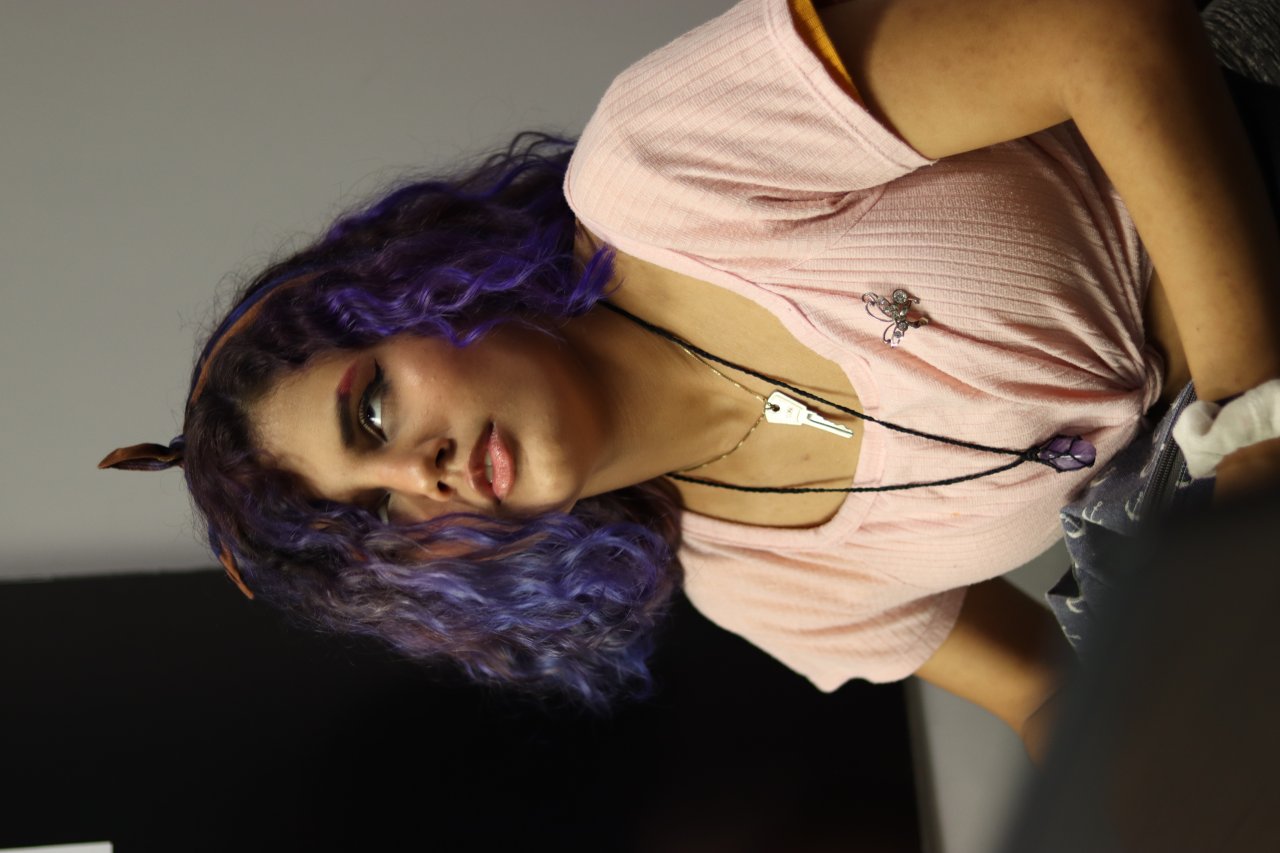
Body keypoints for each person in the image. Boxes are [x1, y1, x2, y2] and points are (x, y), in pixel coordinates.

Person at [101, 0, 1280, 759]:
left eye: (371, 411)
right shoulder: (756, 583)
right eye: (382, 522)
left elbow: (1102, 32)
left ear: (411, 297)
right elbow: (1039, 690)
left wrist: (1251, 435)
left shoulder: (657, 173)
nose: (422, 474)